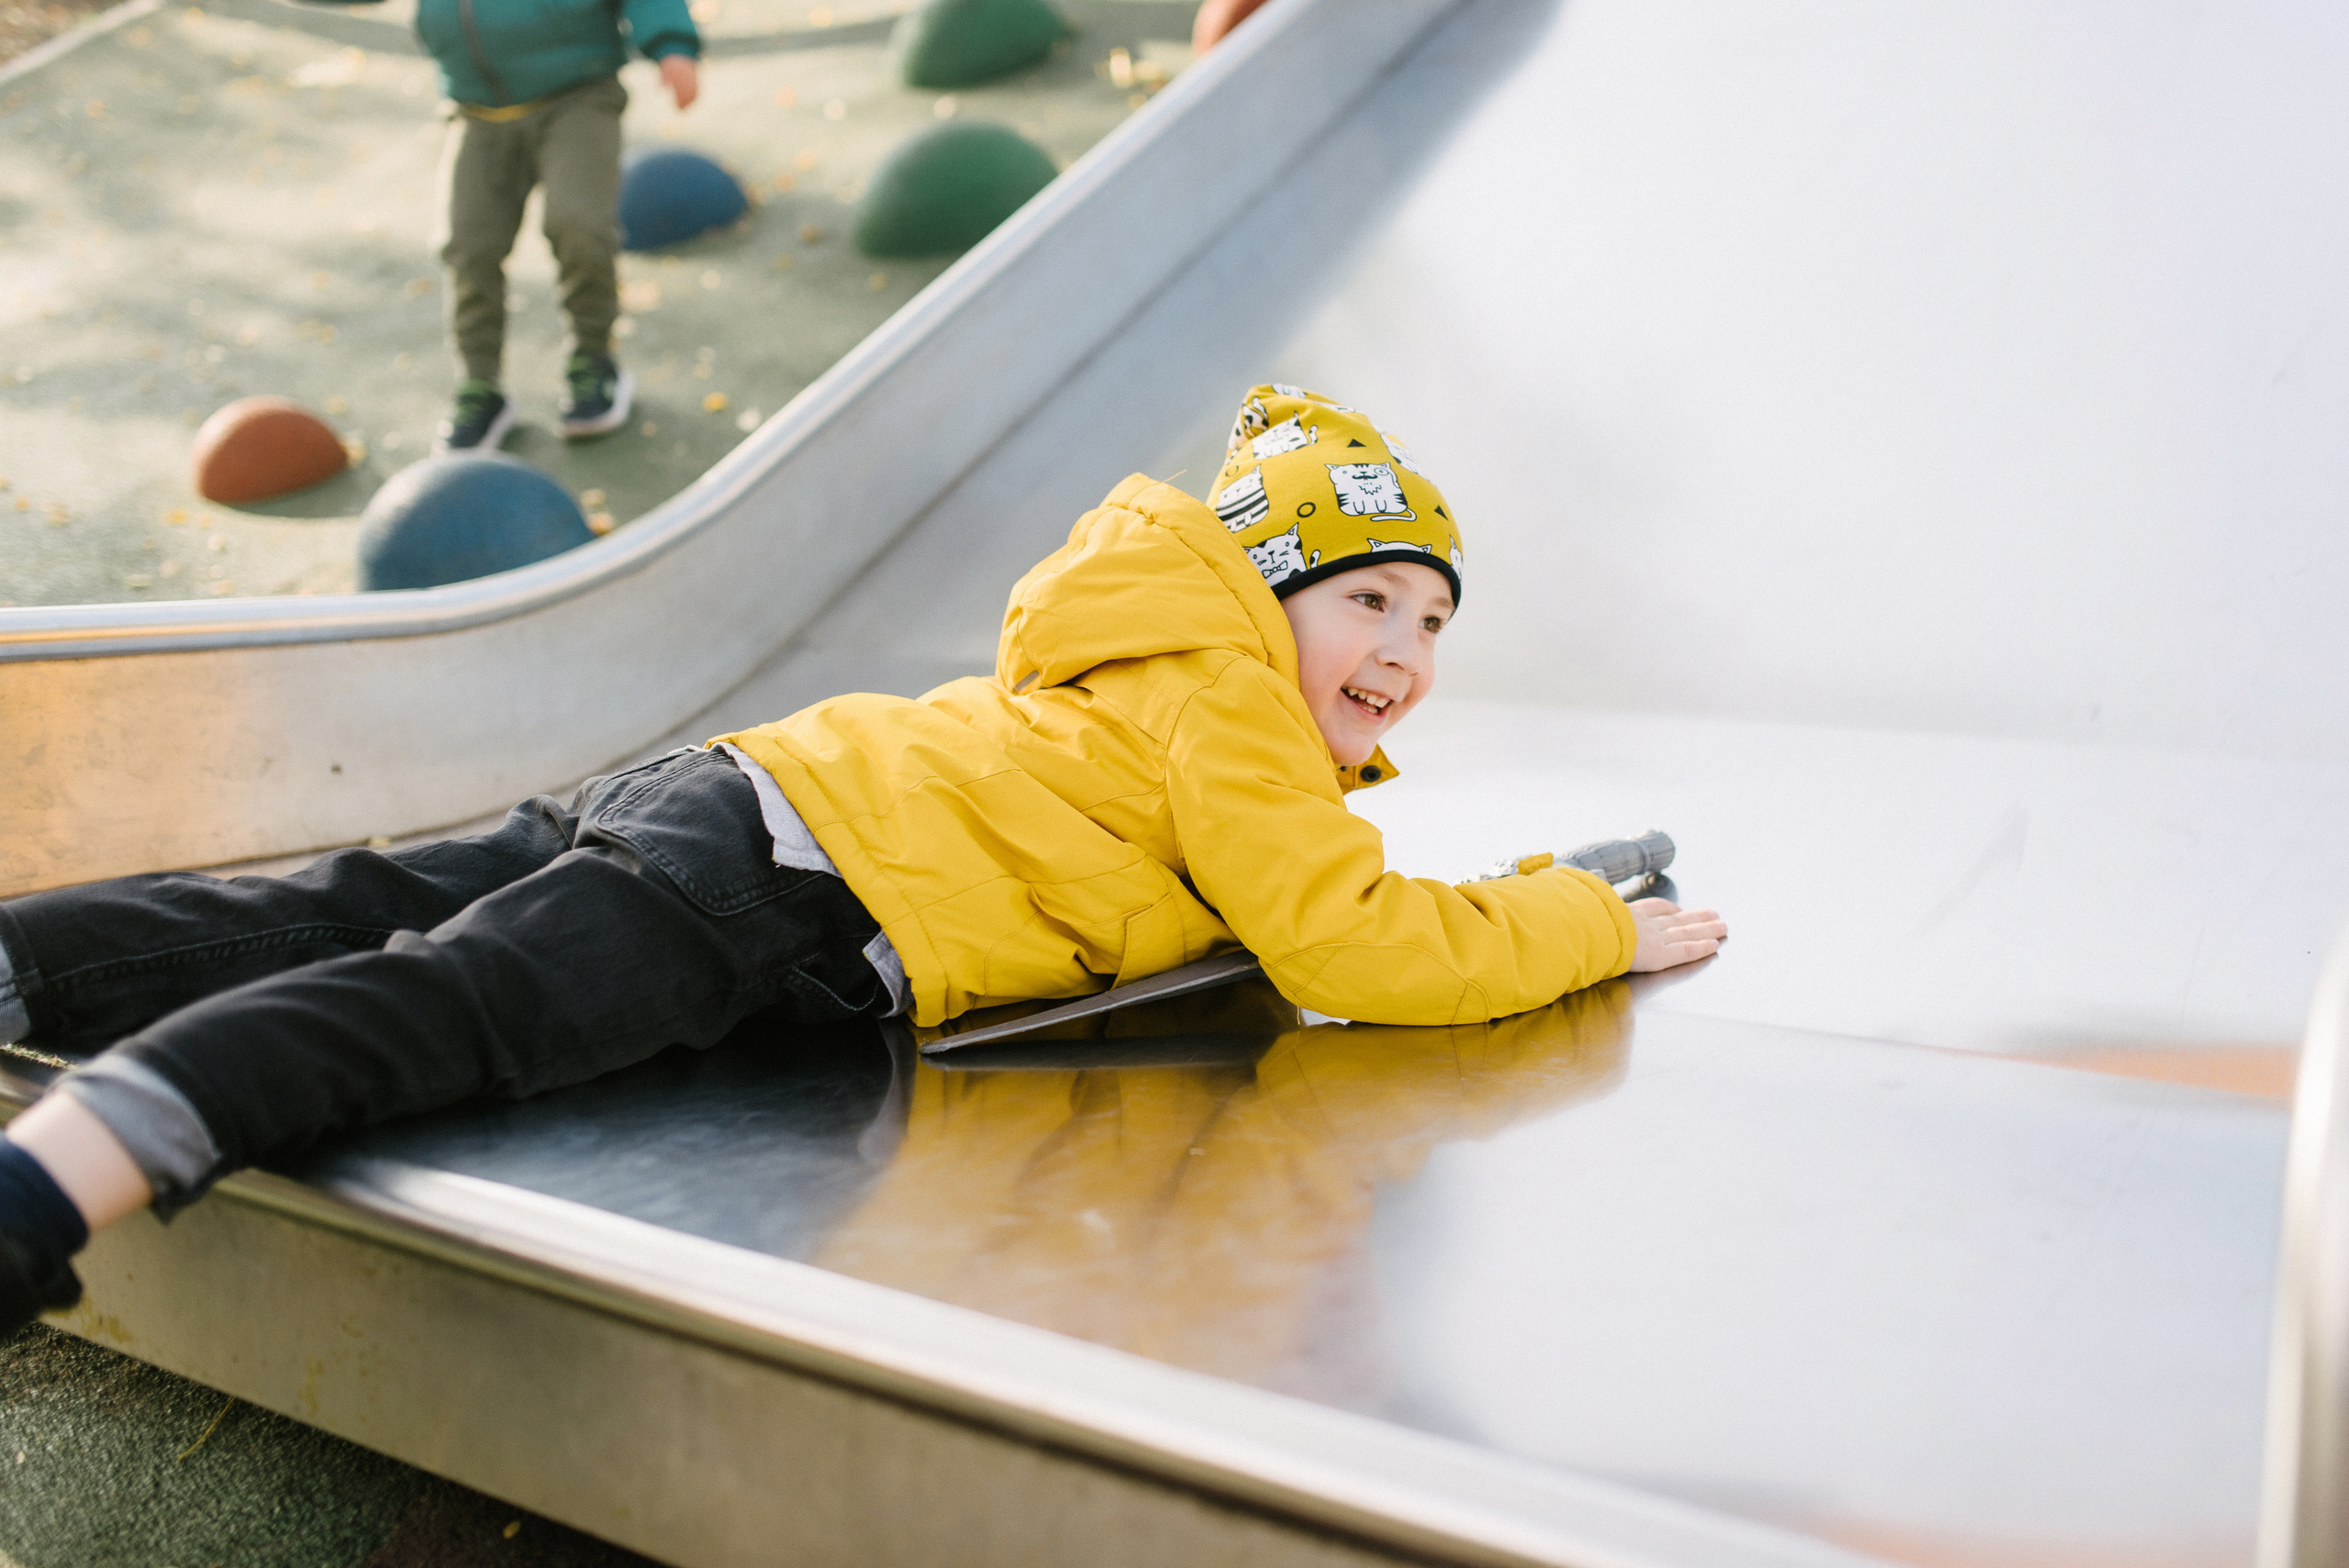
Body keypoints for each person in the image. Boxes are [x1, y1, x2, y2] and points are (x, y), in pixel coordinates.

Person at [0, 385, 1727, 1334]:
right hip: (787, 881)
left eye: (1430, 618)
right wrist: (1584, 920)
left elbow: (1297, 889)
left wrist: (1540, 869)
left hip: (746, 791)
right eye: (1365, 597)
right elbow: (1354, 944)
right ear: (1261, 593)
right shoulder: (1232, 716)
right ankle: (51, 1183)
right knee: (440, 1006)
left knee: (358, 899)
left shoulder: (1148, 684)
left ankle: (20, 959)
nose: (1405, 647)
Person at [417, 0, 702, 452]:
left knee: (578, 223)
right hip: (477, 111)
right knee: (468, 243)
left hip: (576, 96)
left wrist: (671, 44)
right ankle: (480, 385)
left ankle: (593, 360)